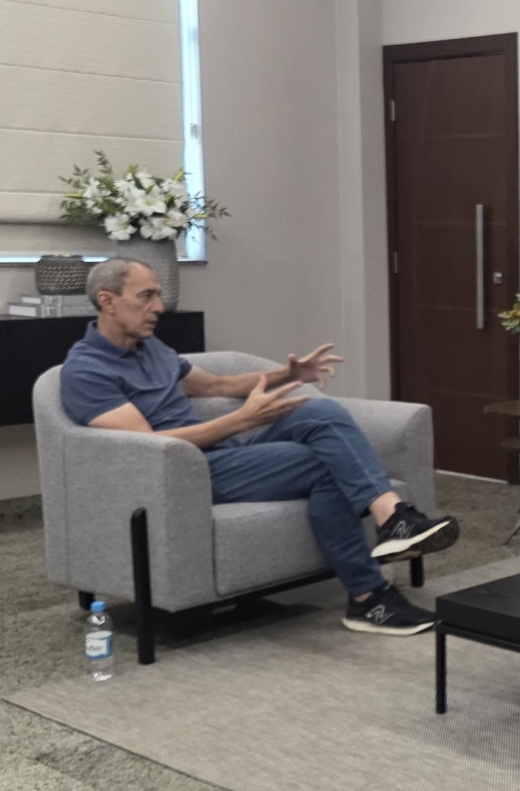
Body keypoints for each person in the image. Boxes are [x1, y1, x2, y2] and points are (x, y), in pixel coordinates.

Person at [60, 258, 458, 636]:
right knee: (323, 465)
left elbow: (216, 385)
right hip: (184, 474)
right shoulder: (87, 370)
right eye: (146, 296)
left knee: (319, 413)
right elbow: (145, 448)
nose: (159, 307)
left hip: (222, 454)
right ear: (108, 301)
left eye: (158, 295)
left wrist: (289, 374)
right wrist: (241, 421)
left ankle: (393, 519)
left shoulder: (150, 348)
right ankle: (370, 596)